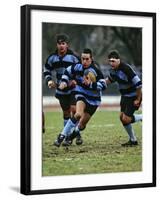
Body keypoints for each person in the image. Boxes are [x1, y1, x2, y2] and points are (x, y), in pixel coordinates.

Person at [54, 48, 107, 147]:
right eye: (83, 59)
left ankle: (72, 136)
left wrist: (91, 84)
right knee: (78, 114)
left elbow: (104, 86)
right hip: (81, 94)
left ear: (91, 59)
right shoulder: (77, 67)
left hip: (94, 100)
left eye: (87, 59)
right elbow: (67, 72)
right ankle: (61, 136)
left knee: (82, 125)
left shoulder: (96, 71)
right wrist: (64, 82)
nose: (84, 61)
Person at [43, 34, 82, 143]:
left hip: (74, 88)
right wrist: (49, 80)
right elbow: (46, 70)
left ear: (67, 45)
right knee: (66, 113)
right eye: (59, 43)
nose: (61, 46)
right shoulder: (52, 58)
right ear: (57, 45)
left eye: (63, 43)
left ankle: (77, 134)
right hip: (61, 89)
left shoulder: (74, 57)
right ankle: (68, 136)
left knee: (74, 111)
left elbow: (81, 69)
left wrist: (75, 80)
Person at [106, 50, 142, 146]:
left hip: (133, 96)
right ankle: (133, 140)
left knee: (126, 119)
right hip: (124, 96)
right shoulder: (113, 70)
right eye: (110, 61)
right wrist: (97, 84)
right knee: (122, 118)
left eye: (113, 61)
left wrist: (138, 99)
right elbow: (109, 80)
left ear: (119, 60)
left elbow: (139, 84)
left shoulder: (126, 69)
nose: (111, 63)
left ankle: (143, 117)